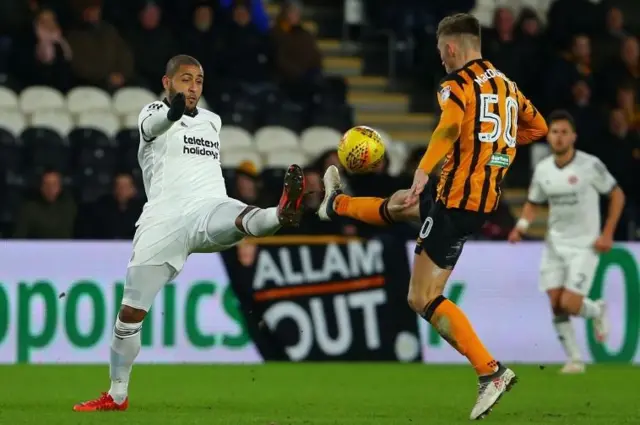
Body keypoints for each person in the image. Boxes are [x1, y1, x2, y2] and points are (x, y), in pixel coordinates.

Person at [318, 13, 548, 420]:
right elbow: (539, 127)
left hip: (456, 198)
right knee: (402, 206)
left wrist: (425, 168)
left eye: (442, 51)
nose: (441, 59)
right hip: (478, 200)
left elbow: (448, 126)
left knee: (420, 296)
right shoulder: (507, 86)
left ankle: (489, 371)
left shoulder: (456, 84)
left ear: (453, 47)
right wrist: (497, 150)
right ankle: (336, 203)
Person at [72, 54, 306, 412]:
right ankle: (117, 394)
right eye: (185, 79)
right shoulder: (151, 111)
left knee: (245, 216)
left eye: (198, 80)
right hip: (164, 222)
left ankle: (282, 211)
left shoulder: (212, 121)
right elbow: (154, 126)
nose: (193, 87)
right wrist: (173, 111)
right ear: (167, 83)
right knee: (129, 316)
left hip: (209, 208)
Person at [508, 111, 625, 374]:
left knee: (571, 304)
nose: (559, 138)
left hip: (585, 244)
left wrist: (607, 233)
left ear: (573, 137)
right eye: (554, 132)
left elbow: (617, 195)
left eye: (564, 132)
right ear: (548, 136)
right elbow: (533, 203)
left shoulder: (589, 165)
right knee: (554, 303)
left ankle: (595, 311)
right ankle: (574, 359)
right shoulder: (543, 169)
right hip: (555, 244)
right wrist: (521, 228)